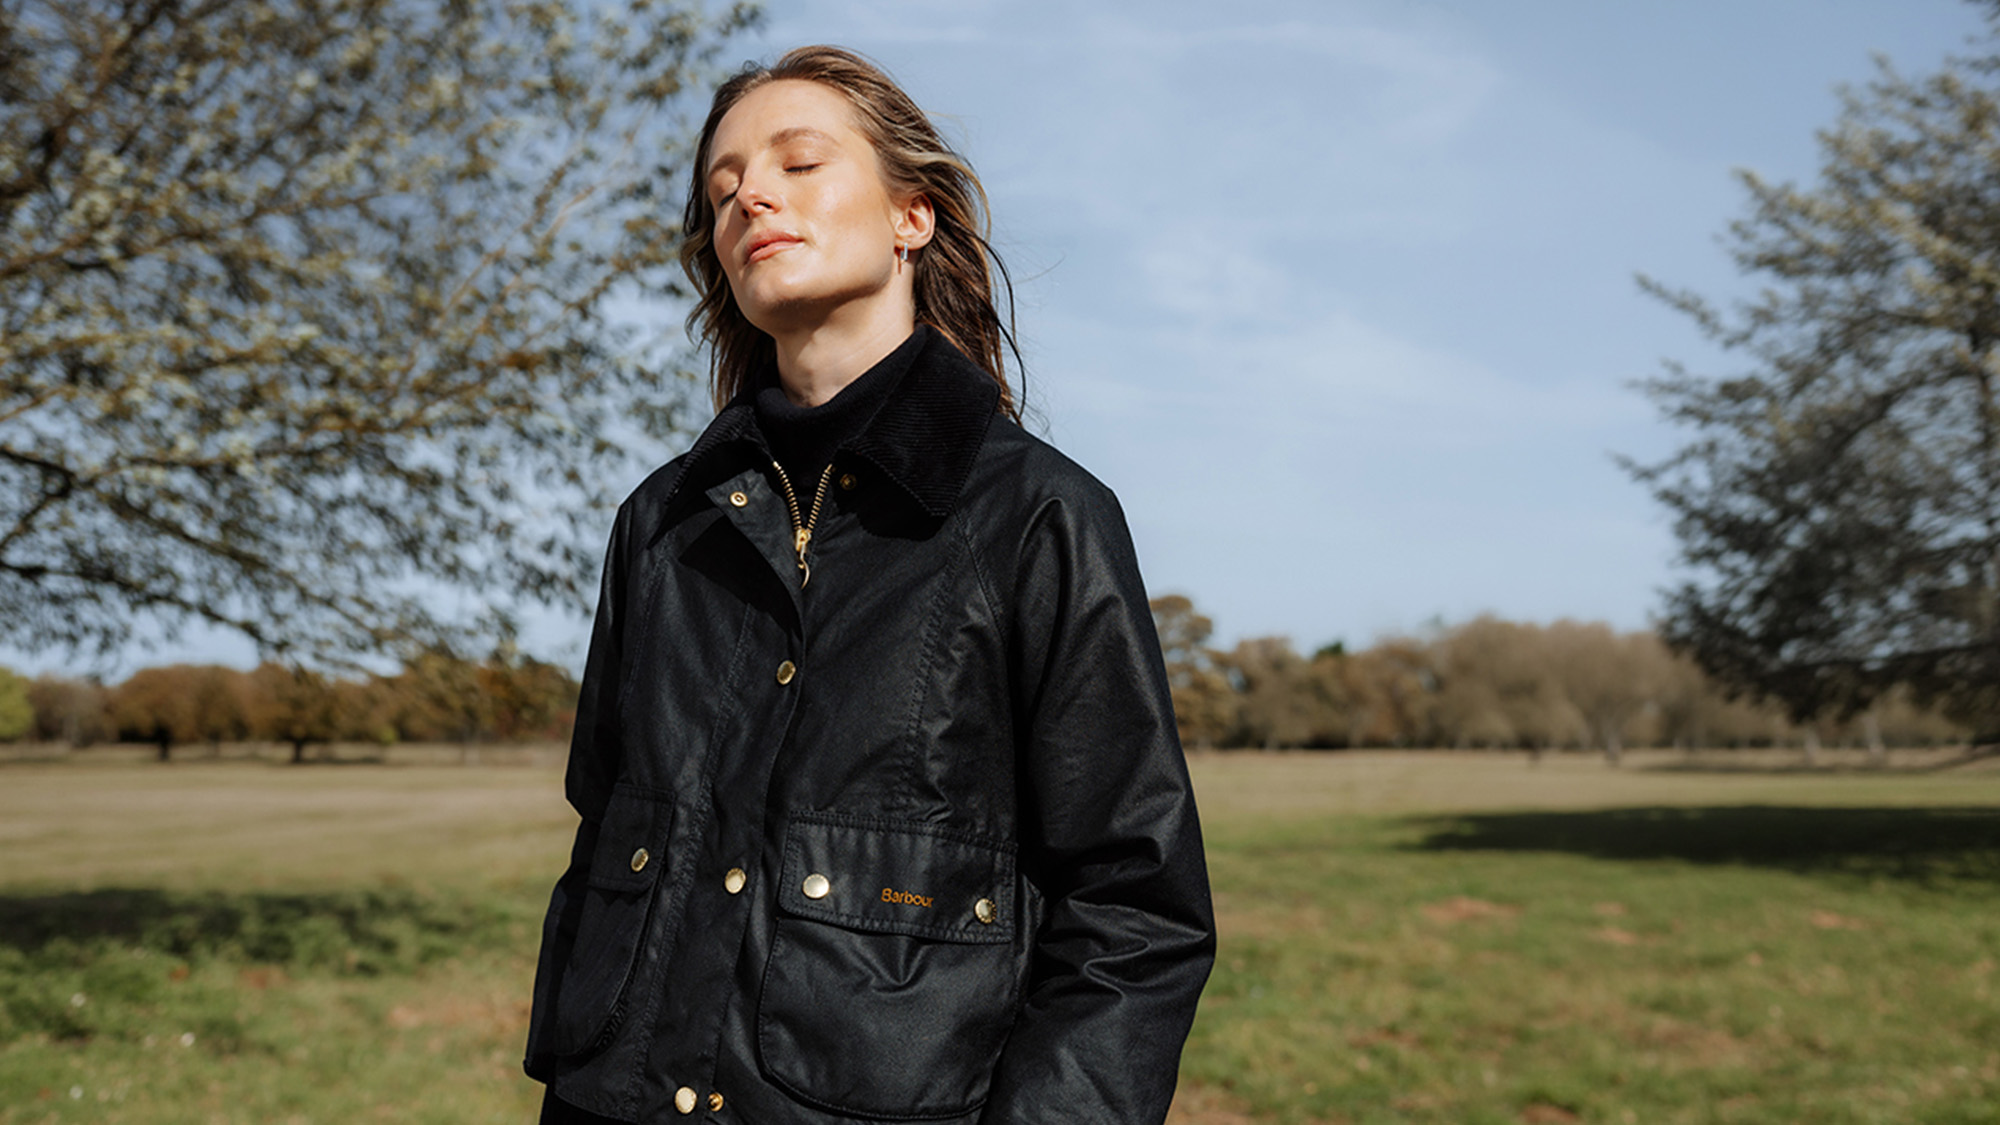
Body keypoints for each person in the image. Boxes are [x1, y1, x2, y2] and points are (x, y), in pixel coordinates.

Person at [524, 45, 1214, 1125]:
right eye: (722, 191)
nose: (750, 194)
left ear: (913, 217)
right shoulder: (660, 527)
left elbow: (1133, 911)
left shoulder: (1037, 516)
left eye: (798, 164)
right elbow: (603, 835)